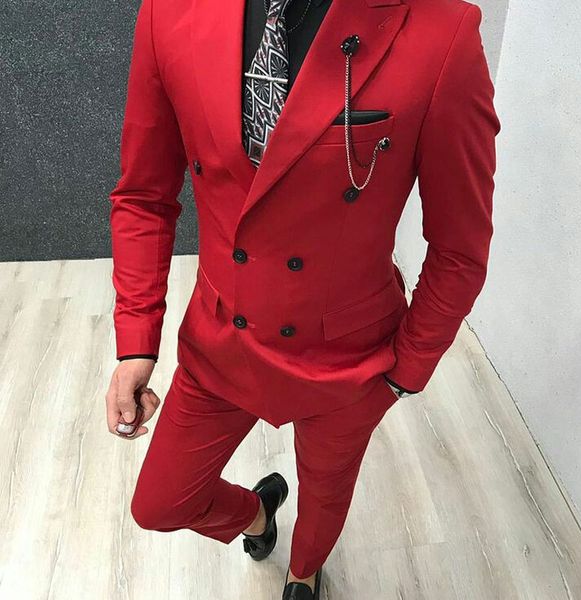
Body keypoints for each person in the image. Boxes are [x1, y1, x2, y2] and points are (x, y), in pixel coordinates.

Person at [104, 0, 501, 597]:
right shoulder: (170, 11)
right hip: (223, 336)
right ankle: (258, 514)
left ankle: (305, 569)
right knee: (160, 503)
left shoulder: (443, 32)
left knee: (325, 496)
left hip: (349, 356)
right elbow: (143, 197)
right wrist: (137, 341)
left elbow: (460, 249)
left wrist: (405, 374)